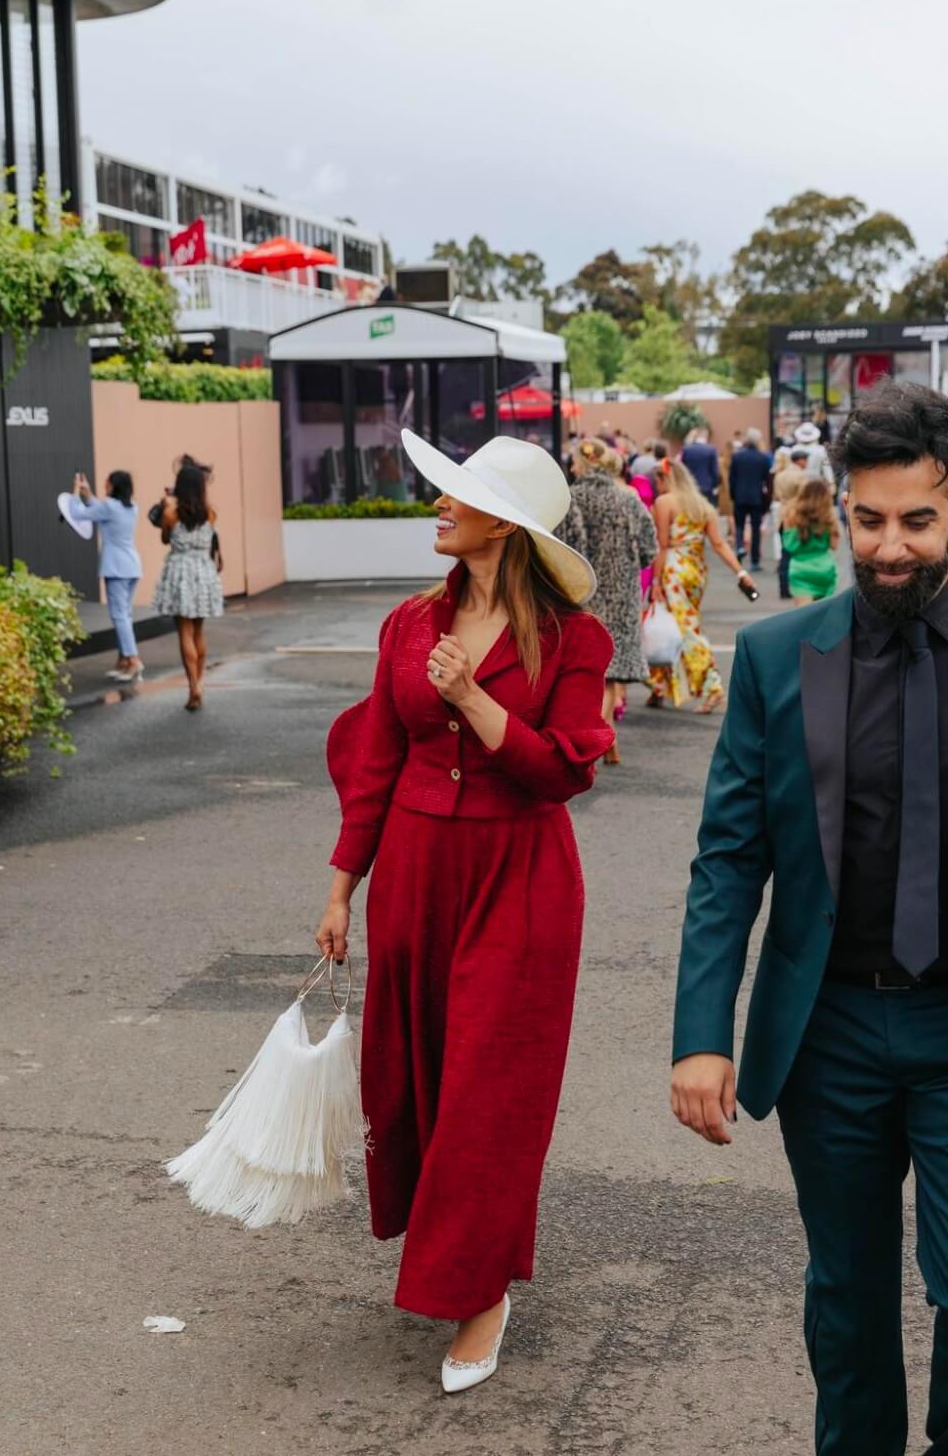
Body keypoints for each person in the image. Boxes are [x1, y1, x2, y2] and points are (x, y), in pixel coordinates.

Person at [670, 379, 948, 1455]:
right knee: (845, 1299)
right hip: (831, 1034)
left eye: (915, 521)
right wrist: (702, 1035)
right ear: (839, 509)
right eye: (867, 520)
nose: (889, 547)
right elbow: (729, 859)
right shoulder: (773, 659)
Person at [316, 432, 612, 1394]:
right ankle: (458, 1255)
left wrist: (472, 703)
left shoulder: (575, 640)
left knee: (491, 1090)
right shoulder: (408, 623)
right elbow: (374, 762)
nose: (436, 504)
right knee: (417, 1077)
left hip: (519, 877)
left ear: (506, 523)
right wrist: (341, 887)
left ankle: (480, 1293)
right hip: (412, 869)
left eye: (457, 494)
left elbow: (563, 770)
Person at [557, 437, 657, 763]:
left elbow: (561, 550)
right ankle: (608, 740)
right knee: (610, 671)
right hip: (622, 594)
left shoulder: (570, 500)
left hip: (583, 595)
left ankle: (597, 737)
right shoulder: (628, 501)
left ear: (581, 465)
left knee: (590, 671)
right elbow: (648, 549)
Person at [647, 458, 749, 713]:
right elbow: (719, 543)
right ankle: (659, 687)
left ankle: (713, 686)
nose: (656, 486)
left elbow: (662, 544)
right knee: (674, 624)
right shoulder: (702, 505)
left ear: (666, 479)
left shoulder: (664, 502)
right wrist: (740, 572)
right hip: (696, 571)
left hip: (673, 570)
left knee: (684, 629)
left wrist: (656, 581)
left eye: (657, 480)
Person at [153, 459, 224, 711]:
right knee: (199, 632)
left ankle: (193, 686)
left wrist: (164, 507)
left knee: (184, 632)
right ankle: (200, 683)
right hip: (203, 572)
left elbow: (164, 538)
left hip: (180, 572)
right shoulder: (210, 513)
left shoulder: (172, 514)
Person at [69, 469, 143, 683]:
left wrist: (75, 493)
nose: (105, 485)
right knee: (125, 615)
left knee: (119, 616)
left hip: (116, 568)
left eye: (107, 483)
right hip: (132, 566)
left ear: (113, 486)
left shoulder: (109, 507)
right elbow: (100, 510)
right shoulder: (132, 508)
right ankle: (124, 662)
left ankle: (133, 659)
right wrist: (88, 495)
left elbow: (77, 513)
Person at [783, 477, 840, 606]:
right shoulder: (828, 518)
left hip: (800, 569)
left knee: (804, 618)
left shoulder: (791, 515)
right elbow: (834, 545)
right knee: (823, 615)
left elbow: (787, 546)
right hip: (824, 568)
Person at [729, 427, 772, 571]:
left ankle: (740, 546)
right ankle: (754, 560)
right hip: (756, 498)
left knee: (740, 525)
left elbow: (732, 478)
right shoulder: (763, 458)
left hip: (740, 496)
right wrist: (767, 500)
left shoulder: (737, 456)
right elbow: (767, 480)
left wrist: (733, 494)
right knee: (755, 529)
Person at [773, 446, 809, 599]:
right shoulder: (801, 476)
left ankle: (783, 587)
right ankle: (798, 586)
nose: (806, 462)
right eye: (805, 459)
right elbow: (805, 497)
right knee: (799, 553)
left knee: (785, 552)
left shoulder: (780, 475)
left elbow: (777, 495)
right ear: (799, 461)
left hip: (782, 515)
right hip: (797, 515)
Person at [680, 428, 720, 505]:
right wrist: (715, 485)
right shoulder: (711, 449)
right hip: (707, 486)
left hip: (691, 486)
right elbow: (714, 470)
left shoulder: (687, 449)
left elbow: (683, 469)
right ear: (706, 436)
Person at [794, 420, 835, 486]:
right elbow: (827, 470)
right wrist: (831, 483)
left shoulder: (794, 449)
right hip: (816, 485)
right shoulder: (820, 450)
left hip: (798, 484)